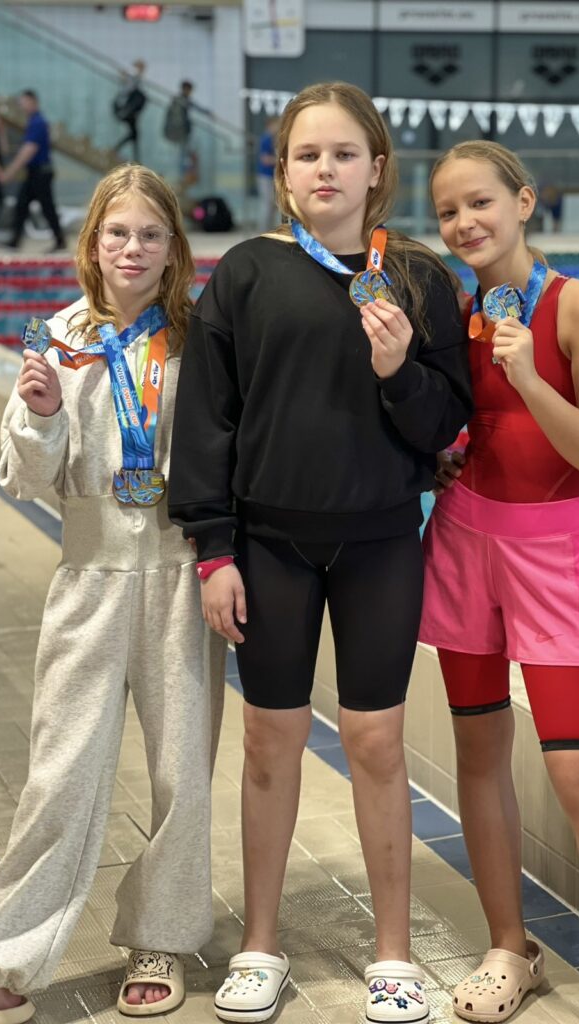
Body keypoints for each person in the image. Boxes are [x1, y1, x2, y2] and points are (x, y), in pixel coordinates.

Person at [168, 81, 472, 1024]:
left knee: (377, 742)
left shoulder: (417, 279)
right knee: (271, 740)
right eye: (308, 155)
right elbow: (208, 418)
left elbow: (445, 424)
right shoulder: (248, 272)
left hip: (380, 541)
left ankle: (393, 954)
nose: (326, 170)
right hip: (270, 544)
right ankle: (259, 943)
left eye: (344, 154)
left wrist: (399, 370)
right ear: (284, 172)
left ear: (377, 169)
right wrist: (214, 549)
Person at [0, 164, 227, 1024]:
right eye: (118, 233)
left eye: (150, 234)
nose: (133, 248)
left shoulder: (199, 339)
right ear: (93, 243)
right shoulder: (60, 339)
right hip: (89, 573)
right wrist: (40, 415)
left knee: (182, 773)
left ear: (173, 247)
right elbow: (24, 476)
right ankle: (9, 952)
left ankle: (160, 938)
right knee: (61, 770)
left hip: (181, 574)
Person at [420, 140, 579, 1024]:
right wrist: (442, 459)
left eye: (480, 202)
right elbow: (464, 428)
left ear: (524, 201)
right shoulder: (458, 314)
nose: (465, 223)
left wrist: (527, 375)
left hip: (552, 556)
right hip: (463, 545)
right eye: (448, 211)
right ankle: (508, 947)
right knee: (479, 754)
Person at [0, 90, 66, 252]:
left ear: (33, 101)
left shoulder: (37, 122)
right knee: (22, 204)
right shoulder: (34, 121)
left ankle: (59, 240)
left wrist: (9, 173)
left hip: (41, 173)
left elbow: (29, 150)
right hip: (35, 172)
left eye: (24, 102)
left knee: (46, 207)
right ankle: (15, 240)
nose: (21, 106)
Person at [114, 61, 147, 163]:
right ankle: (134, 158)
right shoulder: (133, 79)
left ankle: (118, 150)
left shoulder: (134, 79)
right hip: (125, 109)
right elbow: (128, 89)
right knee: (134, 134)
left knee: (134, 134)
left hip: (128, 110)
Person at [254, 115, 279, 233]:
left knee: (273, 206)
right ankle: (263, 232)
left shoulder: (274, 138)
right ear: (270, 125)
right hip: (265, 176)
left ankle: (270, 231)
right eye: (276, 125)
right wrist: (278, 160)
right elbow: (265, 159)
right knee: (266, 205)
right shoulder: (265, 139)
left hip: (272, 176)